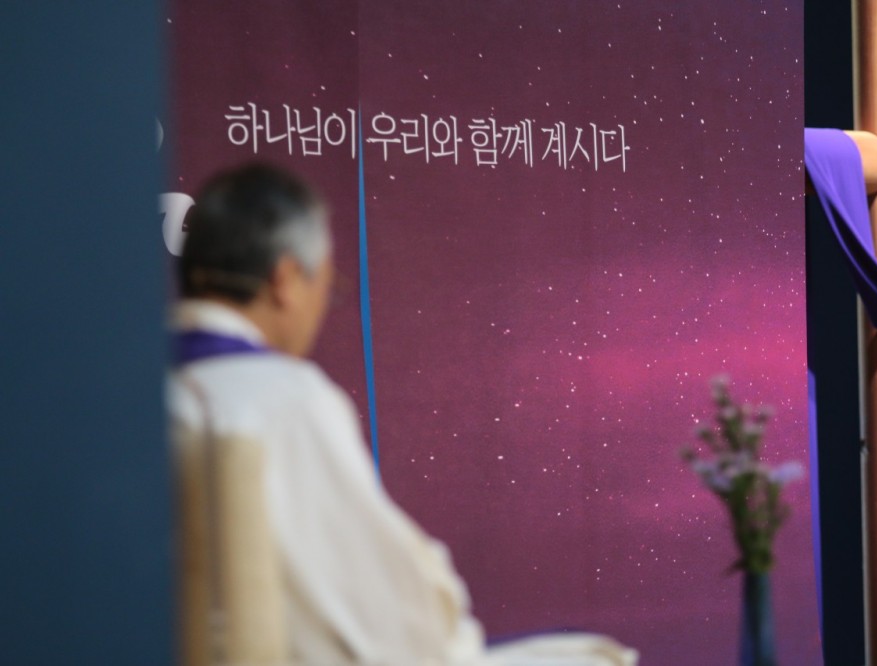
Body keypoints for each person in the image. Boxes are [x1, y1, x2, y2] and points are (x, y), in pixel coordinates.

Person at [168, 163, 638, 665]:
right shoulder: (286, 401)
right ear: (284, 279)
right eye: (325, 285)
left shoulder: (136, 393)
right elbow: (384, 603)